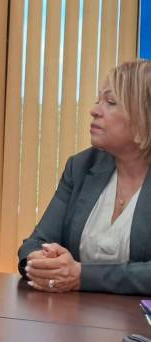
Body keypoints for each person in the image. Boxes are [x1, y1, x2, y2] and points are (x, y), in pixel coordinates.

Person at [19, 60, 151, 295]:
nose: (94, 110)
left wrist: (82, 276)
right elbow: (35, 242)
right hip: (75, 321)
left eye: (110, 102)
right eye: (97, 100)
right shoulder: (81, 166)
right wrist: (43, 261)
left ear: (144, 115)